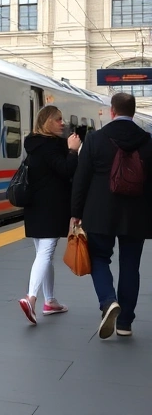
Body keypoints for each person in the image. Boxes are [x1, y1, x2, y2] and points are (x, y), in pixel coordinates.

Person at [70, 92, 152, 339]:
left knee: (98, 258)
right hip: (137, 214)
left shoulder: (95, 139)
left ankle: (108, 302)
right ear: (133, 112)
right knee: (130, 266)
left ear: (112, 111)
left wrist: (75, 213)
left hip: (99, 212)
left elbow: (81, 180)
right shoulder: (147, 141)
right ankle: (125, 323)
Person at [18, 105, 80, 324]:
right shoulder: (52, 146)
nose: (62, 123)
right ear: (46, 122)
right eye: (58, 119)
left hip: (35, 206)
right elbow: (66, 170)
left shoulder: (33, 144)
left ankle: (50, 301)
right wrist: (72, 150)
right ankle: (31, 298)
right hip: (51, 207)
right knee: (46, 252)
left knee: (44, 255)